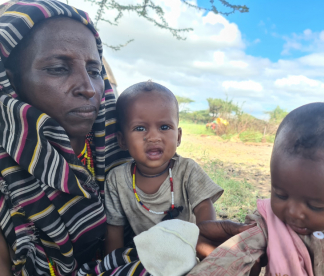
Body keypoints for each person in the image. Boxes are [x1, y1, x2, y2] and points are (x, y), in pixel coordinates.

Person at [0, 1, 252, 275]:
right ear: (11, 81)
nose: (88, 88)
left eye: (95, 72)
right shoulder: (9, 186)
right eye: (58, 68)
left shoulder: (105, 158)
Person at [188, 102, 324, 276]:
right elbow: (221, 261)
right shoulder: (270, 227)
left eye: (315, 205)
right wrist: (227, 231)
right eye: (280, 194)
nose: (293, 212)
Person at [105, 81, 224, 258]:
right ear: (122, 140)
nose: (153, 137)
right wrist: (111, 266)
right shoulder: (117, 179)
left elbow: (204, 211)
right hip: (146, 258)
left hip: (188, 250)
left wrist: (204, 248)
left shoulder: (187, 170)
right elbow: (114, 230)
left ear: (178, 136)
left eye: (164, 127)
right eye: (140, 128)